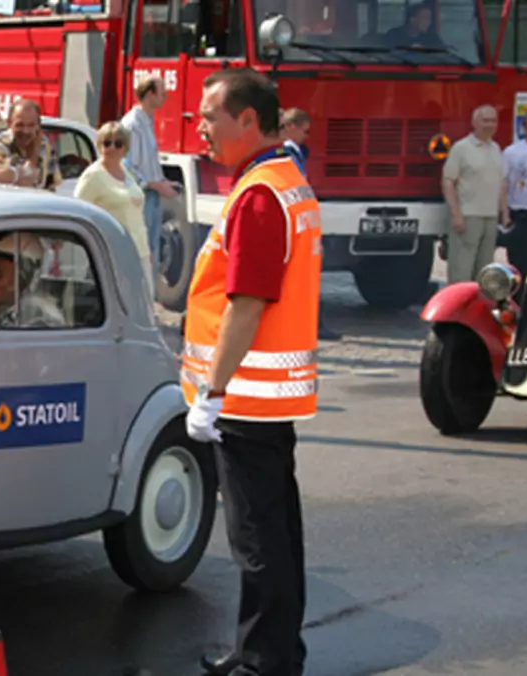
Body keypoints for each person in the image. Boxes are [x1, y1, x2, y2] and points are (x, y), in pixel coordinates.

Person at [184, 68, 323, 676]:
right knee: (277, 531)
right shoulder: (286, 180)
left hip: (245, 398)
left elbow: (246, 303)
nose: (201, 127)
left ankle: (264, 663)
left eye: (210, 115)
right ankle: (267, 651)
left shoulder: (259, 194)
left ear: (248, 120)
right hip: (268, 397)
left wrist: (211, 392)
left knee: (257, 540)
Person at [280, 108, 341, 340]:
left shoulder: (295, 153)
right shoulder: (288, 154)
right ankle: (310, 323)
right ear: (291, 127)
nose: (307, 136)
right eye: (304, 131)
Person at [73, 121, 152, 289]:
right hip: (112, 250)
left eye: (118, 144)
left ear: (125, 148)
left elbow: (136, 211)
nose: (112, 148)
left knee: (144, 301)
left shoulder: (125, 171)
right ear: (99, 145)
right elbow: (78, 211)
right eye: (107, 143)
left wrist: (148, 250)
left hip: (139, 250)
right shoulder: (93, 175)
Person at [441, 104, 507, 284]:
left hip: (490, 217)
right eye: (485, 120)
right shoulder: (461, 148)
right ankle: (458, 310)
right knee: (462, 269)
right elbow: (448, 181)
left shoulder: (496, 148)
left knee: (484, 271)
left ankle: (478, 309)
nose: (490, 125)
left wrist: (504, 213)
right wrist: (456, 215)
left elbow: (500, 182)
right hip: (468, 216)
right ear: (474, 122)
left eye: (493, 121)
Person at [121, 75, 178, 271]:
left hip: (150, 197)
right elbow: (127, 166)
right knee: (142, 256)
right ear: (149, 94)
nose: (166, 97)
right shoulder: (133, 125)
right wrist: (155, 185)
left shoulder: (146, 122)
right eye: (162, 92)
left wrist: (163, 181)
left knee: (151, 255)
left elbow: (147, 164)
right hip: (140, 198)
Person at [0, 98, 62, 191]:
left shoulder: (45, 145)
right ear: (9, 123)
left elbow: (52, 184)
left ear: (38, 125)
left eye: (31, 125)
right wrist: (34, 155)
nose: (26, 131)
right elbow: (22, 183)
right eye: (20, 125)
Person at [502, 110, 527, 286]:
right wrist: (505, 214)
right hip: (522, 215)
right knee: (521, 264)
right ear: (525, 128)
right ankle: (520, 304)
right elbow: (504, 183)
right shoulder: (512, 152)